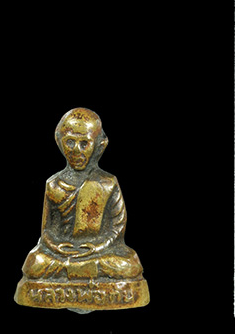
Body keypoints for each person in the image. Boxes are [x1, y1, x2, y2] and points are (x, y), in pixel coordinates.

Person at [21, 107, 143, 281]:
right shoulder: (53, 184)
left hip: (98, 253)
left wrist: (98, 247)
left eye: (84, 143)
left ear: (100, 145)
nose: (76, 150)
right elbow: (46, 231)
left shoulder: (108, 183)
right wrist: (55, 247)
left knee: (129, 264)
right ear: (59, 142)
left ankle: (76, 271)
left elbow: (117, 228)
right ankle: (83, 271)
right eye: (70, 142)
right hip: (63, 254)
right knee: (34, 263)